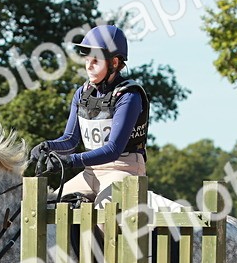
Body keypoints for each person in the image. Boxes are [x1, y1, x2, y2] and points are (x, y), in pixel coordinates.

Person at [29, 25, 150, 200]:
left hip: (123, 169)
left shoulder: (129, 96)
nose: (89, 67)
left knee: (105, 210)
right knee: (50, 204)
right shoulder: (82, 93)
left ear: (114, 63)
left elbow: (113, 149)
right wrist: (48, 146)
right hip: (90, 172)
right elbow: (70, 139)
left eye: (95, 62)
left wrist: (71, 161)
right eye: (87, 61)